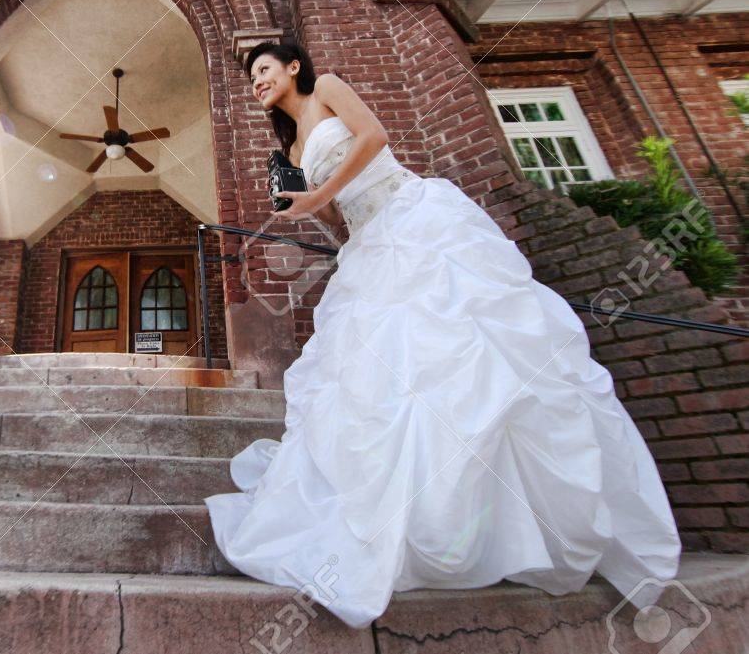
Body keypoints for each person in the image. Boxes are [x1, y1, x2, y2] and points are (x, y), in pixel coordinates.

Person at [204, 40, 680, 628]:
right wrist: (303, 207)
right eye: (250, 77)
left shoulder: (326, 89)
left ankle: (512, 523)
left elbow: (375, 138)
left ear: (292, 66)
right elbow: (335, 221)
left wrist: (321, 192)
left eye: (263, 70)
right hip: (370, 246)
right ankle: (417, 514)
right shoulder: (294, 145)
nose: (255, 82)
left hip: (415, 220)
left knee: (465, 355)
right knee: (377, 383)